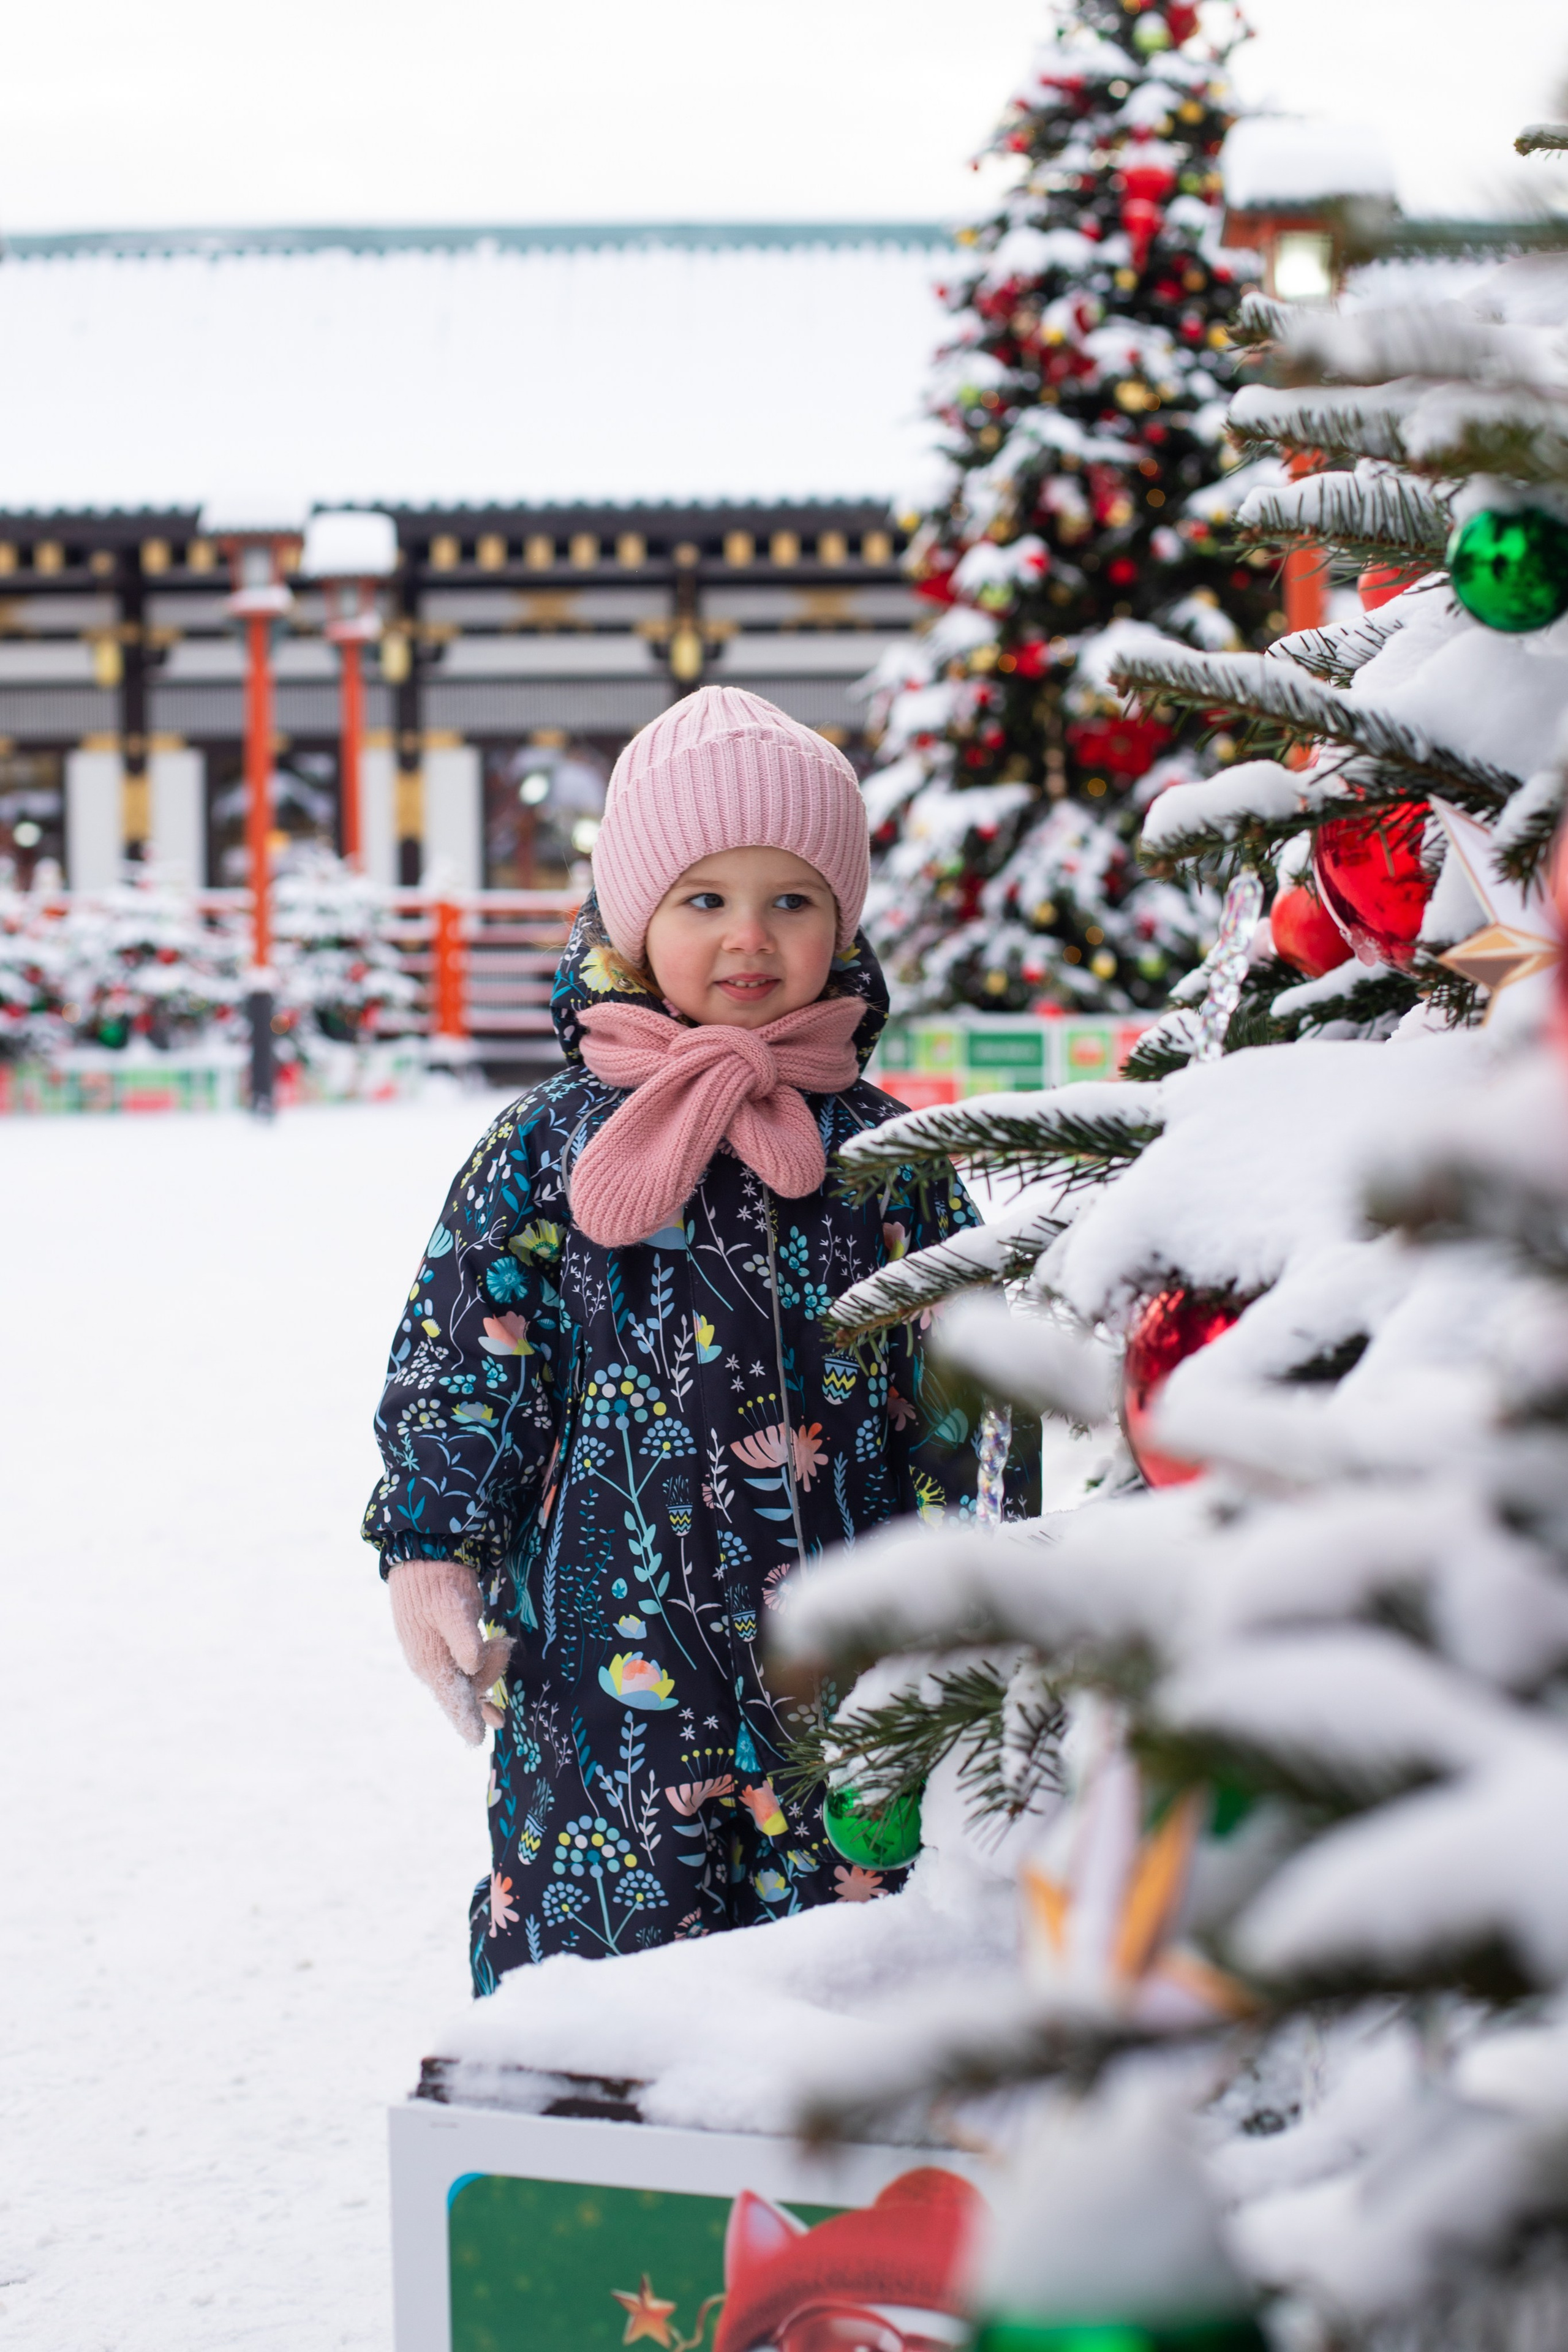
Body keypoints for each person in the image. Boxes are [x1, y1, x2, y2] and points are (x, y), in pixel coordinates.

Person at [364, 686, 982, 1992]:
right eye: (703, 900)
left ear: (843, 924)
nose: (747, 938)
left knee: (857, 1975)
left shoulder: (891, 1157)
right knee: (604, 1977)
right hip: (608, 1670)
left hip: (848, 1659)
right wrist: (430, 1547)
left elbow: (967, 1387)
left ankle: (838, 2197)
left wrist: (975, 1582)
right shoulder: (546, 1147)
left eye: (790, 900)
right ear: (635, 919)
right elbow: (468, 1359)